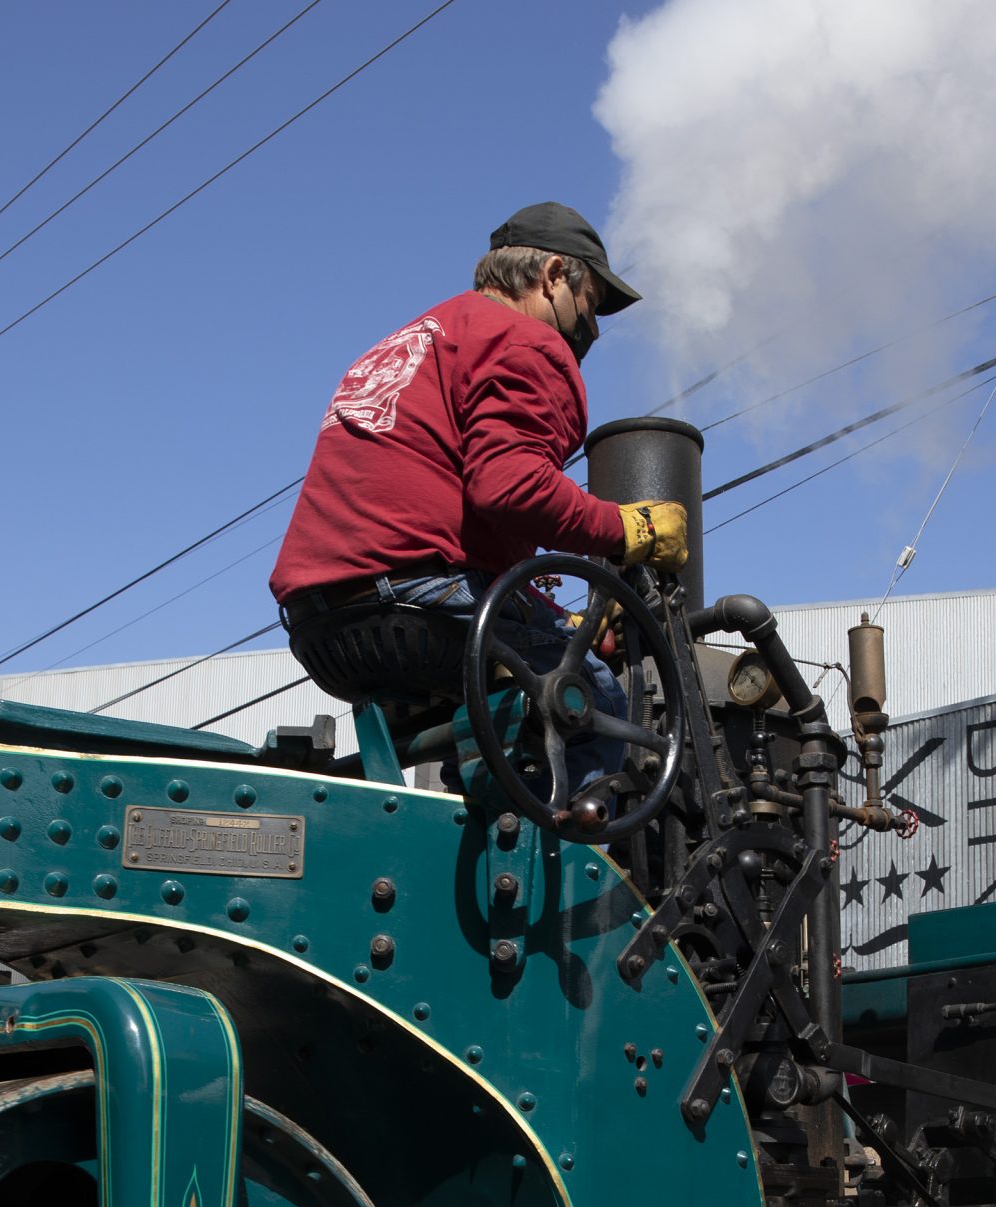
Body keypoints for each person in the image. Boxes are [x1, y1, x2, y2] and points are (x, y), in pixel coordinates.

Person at [269, 201, 689, 812]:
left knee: (526, 692)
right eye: (591, 303)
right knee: (592, 702)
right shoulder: (525, 341)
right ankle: (570, 889)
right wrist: (627, 528)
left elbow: (458, 520)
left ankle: (482, 826)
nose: (591, 328)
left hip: (322, 621)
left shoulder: (423, 336)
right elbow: (511, 488)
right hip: (411, 603)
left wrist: (563, 624)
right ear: (551, 276)